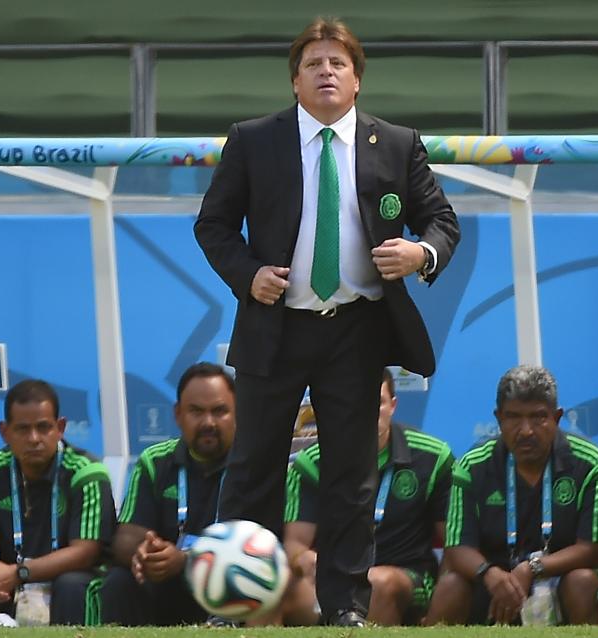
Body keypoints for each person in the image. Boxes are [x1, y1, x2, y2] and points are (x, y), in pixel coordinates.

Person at [194, 17, 460, 626]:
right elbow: (212, 225)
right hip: (276, 324)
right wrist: (248, 274)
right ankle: (235, 606)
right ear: (295, 81)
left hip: (357, 330)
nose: (326, 73)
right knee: (253, 467)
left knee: (351, 476)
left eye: (338, 63)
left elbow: (442, 220)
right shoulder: (255, 140)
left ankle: (345, 607)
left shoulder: (395, 143)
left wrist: (423, 254)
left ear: (358, 80)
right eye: (313, 63)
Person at [425, 365, 598, 626]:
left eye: (538, 417)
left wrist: (532, 568)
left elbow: (593, 548)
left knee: (582, 582)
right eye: (514, 417)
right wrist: (490, 574)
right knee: (451, 586)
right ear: (499, 418)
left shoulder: (591, 462)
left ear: (557, 418)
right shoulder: (472, 465)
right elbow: (457, 547)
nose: (526, 430)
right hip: (494, 580)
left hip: (560, 578)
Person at [0, 379, 116, 625]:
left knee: (71, 586)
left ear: (60, 428)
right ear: (4, 432)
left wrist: (19, 573)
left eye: (43, 427)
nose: (34, 438)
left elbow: (85, 552)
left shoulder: (86, 472)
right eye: (23, 429)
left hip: (67, 580)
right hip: (7, 581)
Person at [282, 368, 454, 625]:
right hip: (333, 575)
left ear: (393, 406)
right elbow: (295, 544)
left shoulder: (433, 456)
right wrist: (305, 559)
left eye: (377, 403)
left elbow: (453, 545)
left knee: (376, 583)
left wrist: (439, 612)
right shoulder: (311, 463)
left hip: (408, 576)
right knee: (276, 589)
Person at [100, 362, 236, 626]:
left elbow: (267, 546)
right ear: (178, 414)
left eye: (219, 411)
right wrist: (148, 552)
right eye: (196, 411)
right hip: (169, 583)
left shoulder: (252, 465)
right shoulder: (155, 460)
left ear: (237, 414)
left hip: (233, 578)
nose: (208, 422)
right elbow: (126, 536)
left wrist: (186, 560)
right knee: (120, 580)